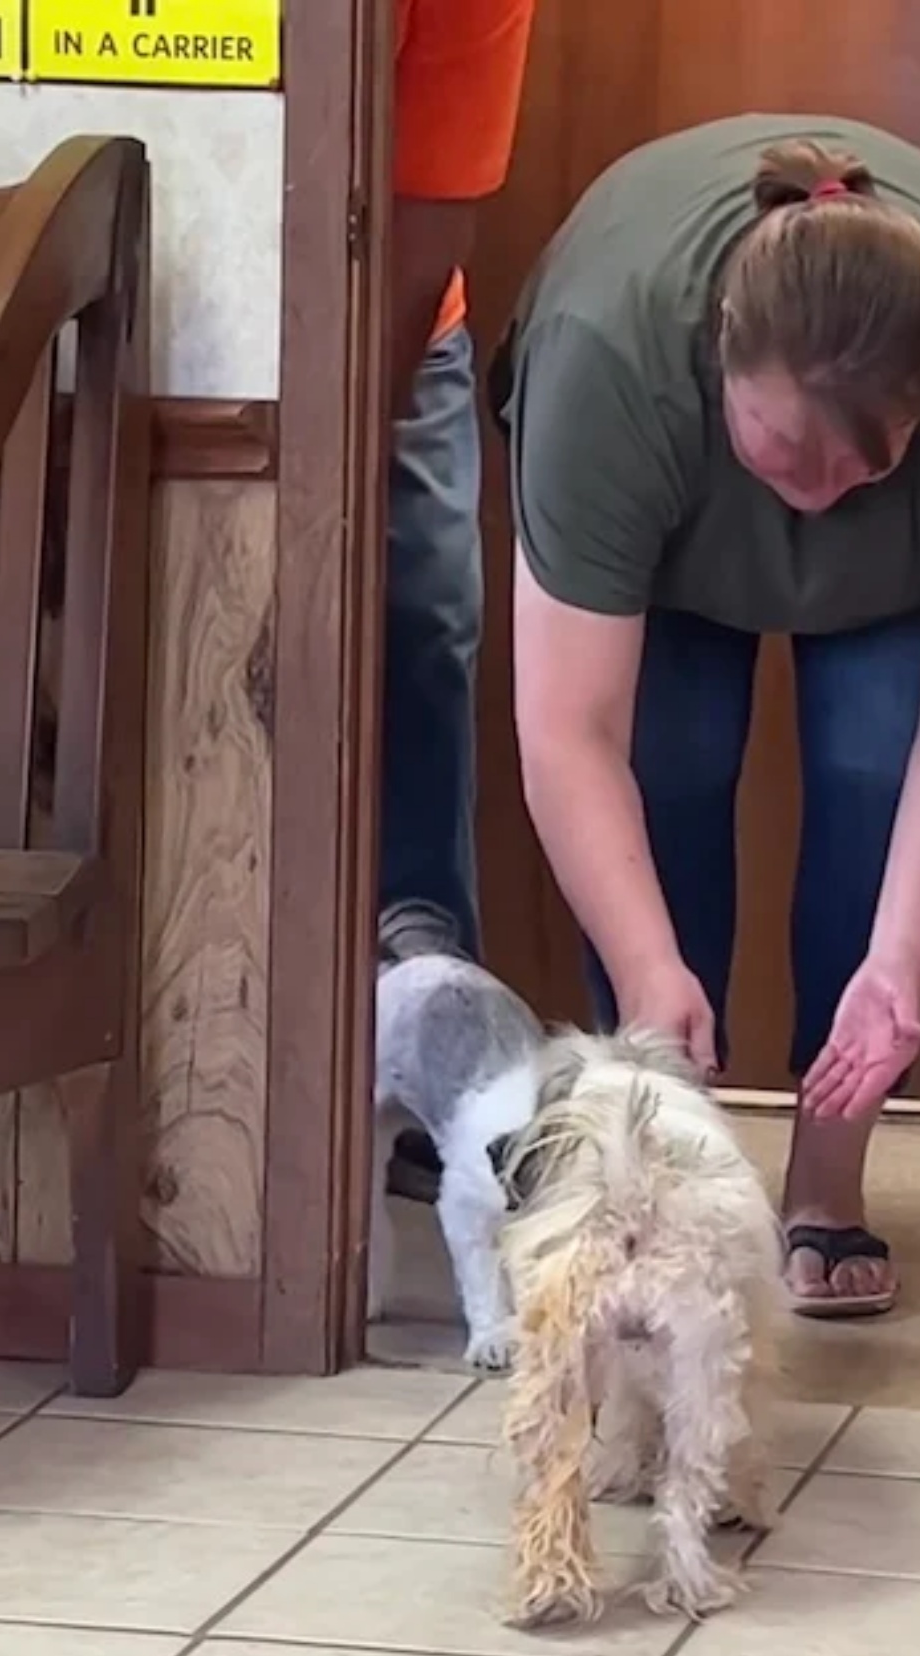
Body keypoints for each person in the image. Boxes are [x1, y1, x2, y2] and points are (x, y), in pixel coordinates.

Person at [491, 115, 920, 1317]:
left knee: (874, 775)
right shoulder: (612, 354)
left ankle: (826, 1178)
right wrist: (654, 972)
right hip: (666, 532)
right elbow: (569, 730)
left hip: (894, 585)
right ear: (721, 362)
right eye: (788, 447)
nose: (816, 493)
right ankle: (662, 1163)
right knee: (672, 764)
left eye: (865, 465)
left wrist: (900, 963)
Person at [384, 0, 536, 1201]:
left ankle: (430, 1074)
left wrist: (331, 431)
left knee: (423, 626)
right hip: (31, 277)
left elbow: (432, 196)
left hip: (389, 307)